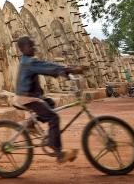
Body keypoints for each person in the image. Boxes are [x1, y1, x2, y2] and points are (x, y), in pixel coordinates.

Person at [14, 36, 85, 164]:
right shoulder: (28, 62)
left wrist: (66, 71)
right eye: (30, 46)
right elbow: (46, 67)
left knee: (50, 103)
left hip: (32, 96)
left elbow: (46, 66)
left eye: (33, 45)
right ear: (23, 49)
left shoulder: (29, 60)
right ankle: (58, 152)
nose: (33, 48)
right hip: (27, 98)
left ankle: (31, 123)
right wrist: (68, 69)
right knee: (54, 118)